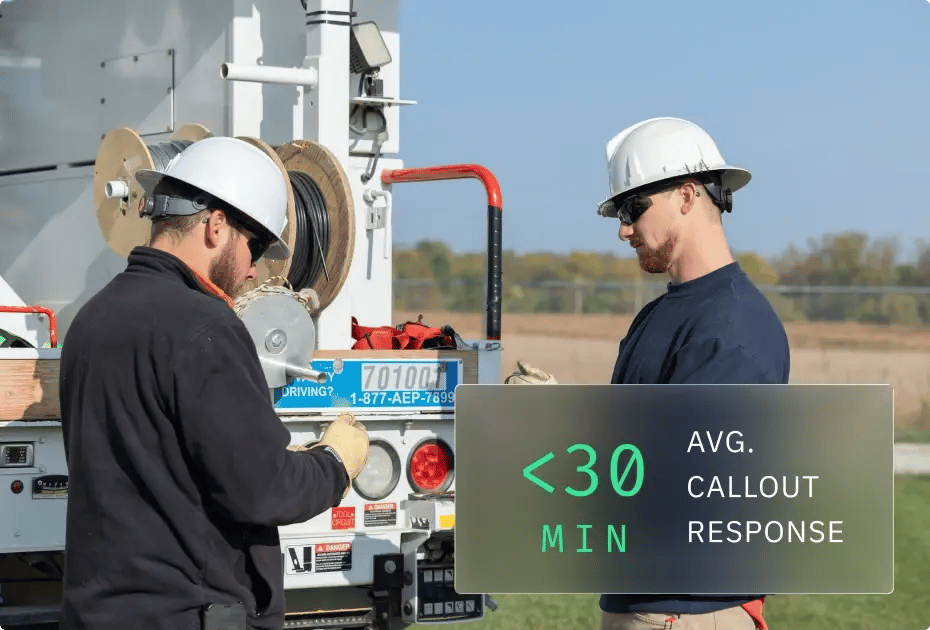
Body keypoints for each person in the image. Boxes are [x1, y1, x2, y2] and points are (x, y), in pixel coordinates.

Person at [59, 136, 369, 630]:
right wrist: (335, 463)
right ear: (216, 225)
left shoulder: (91, 319)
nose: (253, 270)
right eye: (256, 245)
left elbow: (165, 460)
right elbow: (263, 490)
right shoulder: (205, 327)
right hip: (185, 616)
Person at [595, 118, 789, 630]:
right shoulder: (659, 316)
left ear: (686, 195)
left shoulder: (731, 326)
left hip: (687, 610)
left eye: (633, 208)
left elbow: (690, 480)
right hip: (646, 600)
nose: (623, 229)